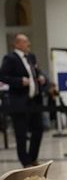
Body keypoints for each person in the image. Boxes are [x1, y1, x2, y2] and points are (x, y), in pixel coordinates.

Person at [0, 33, 47, 167]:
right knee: (21, 133)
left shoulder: (31, 57)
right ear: (17, 44)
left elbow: (36, 73)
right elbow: (2, 76)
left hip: (34, 100)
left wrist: (41, 78)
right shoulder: (10, 58)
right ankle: (25, 162)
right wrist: (19, 81)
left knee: (38, 129)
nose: (28, 44)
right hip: (19, 101)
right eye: (26, 42)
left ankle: (32, 158)